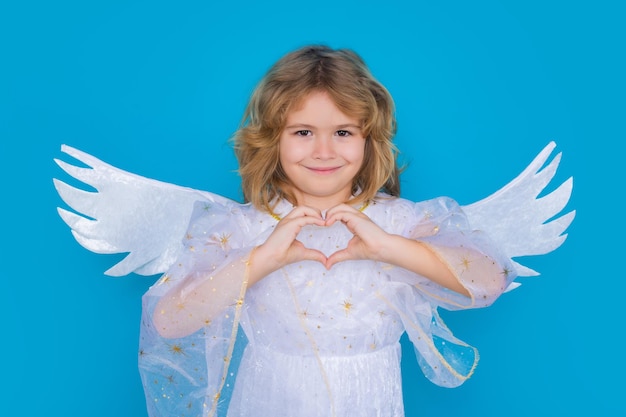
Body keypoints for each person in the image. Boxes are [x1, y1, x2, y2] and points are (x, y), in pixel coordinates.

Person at [54, 45, 573, 417]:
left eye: (343, 132)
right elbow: (168, 321)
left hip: (371, 399)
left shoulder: (405, 221)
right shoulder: (239, 228)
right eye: (303, 132)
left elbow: (488, 279)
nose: (324, 151)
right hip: (267, 401)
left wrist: (389, 246)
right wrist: (266, 258)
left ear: (369, 141)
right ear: (271, 141)